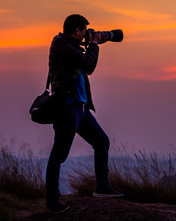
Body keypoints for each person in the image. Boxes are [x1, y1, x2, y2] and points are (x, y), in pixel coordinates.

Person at [45, 14, 122, 214]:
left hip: (81, 108)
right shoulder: (61, 44)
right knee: (58, 155)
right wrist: (94, 43)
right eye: (84, 31)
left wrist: (91, 44)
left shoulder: (72, 47)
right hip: (67, 108)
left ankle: (102, 188)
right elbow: (88, 64)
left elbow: (87, 66)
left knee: (101, 142)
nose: (85, 34)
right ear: (77, 30)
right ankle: (52, 201)